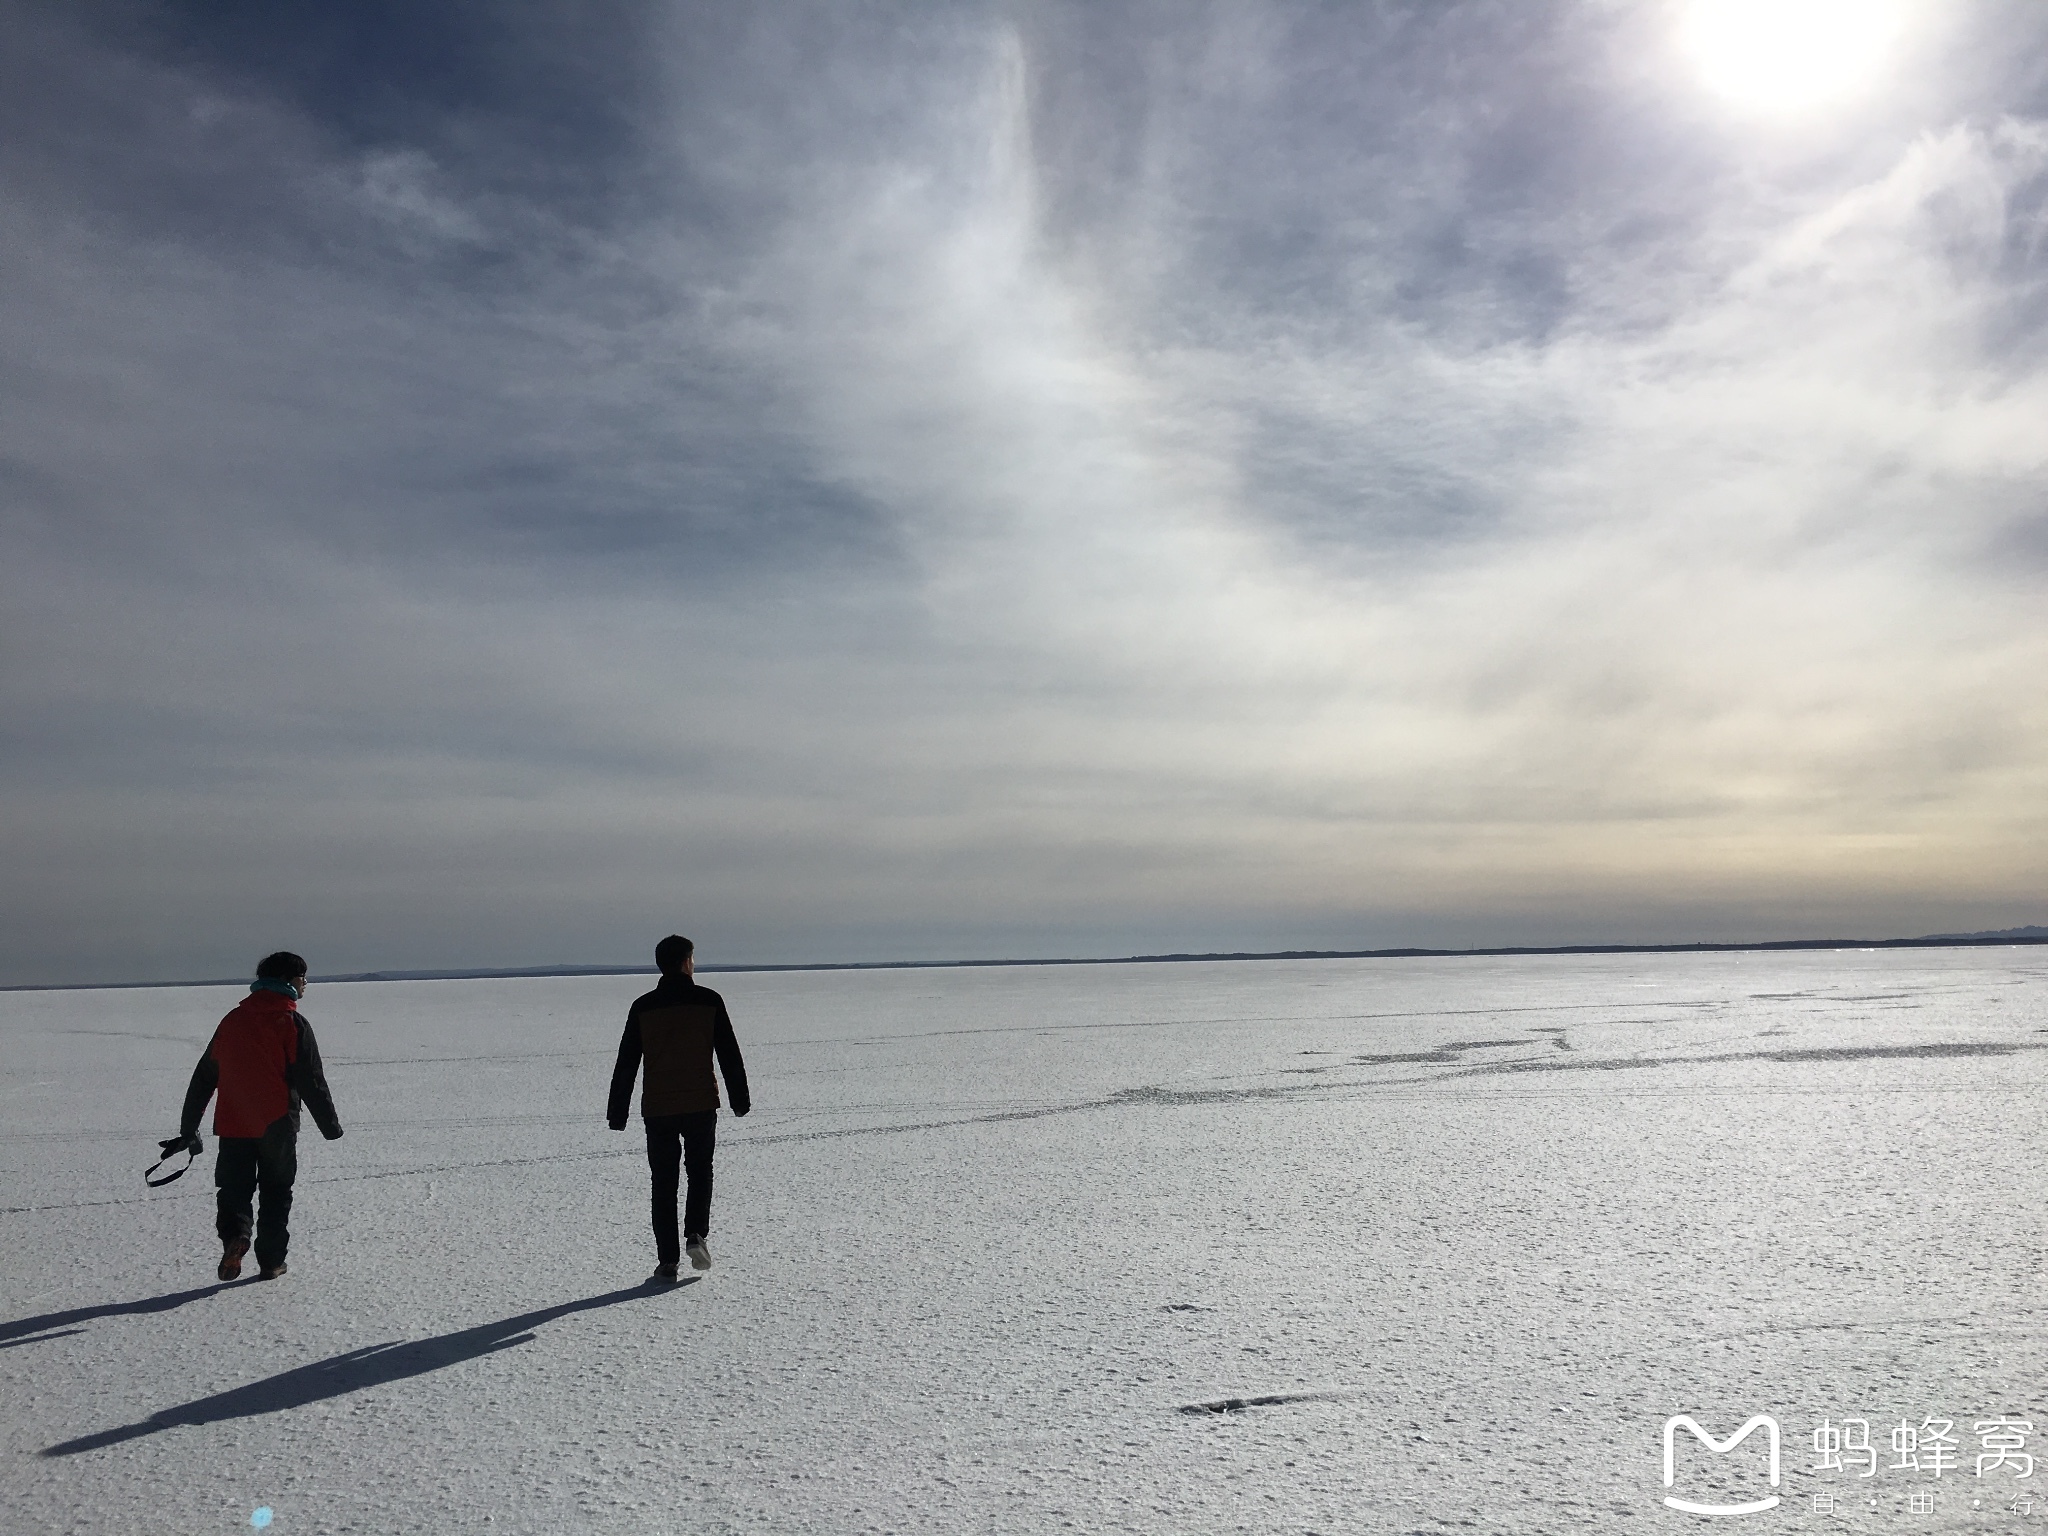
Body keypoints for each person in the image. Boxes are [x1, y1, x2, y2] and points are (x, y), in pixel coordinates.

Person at [165, 951, 343, 1282]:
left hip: (234, 1125)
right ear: (290, 981)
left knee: (234, 1191)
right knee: (276, 1192)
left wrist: (189, 1127)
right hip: (277, 1126)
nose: (306, 985)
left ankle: (236, 1237)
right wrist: (330, 1126)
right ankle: (272, 1262)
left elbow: (205, 1076)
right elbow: (311, 1080)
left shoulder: (232, 1021)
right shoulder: (292, 1024)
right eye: (303, 979)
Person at [608, 935, 750, 1281]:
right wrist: (739, 1099)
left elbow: (627, 1061)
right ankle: (696, 1234)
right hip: (700, 1103)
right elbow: (728, 1052)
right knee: (700, 1170)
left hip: (658, 1108)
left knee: (664, 1181)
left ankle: (667, 1260)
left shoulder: (643, 1006)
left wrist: (618, 1111)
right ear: (687, 961)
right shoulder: (708, 1000)